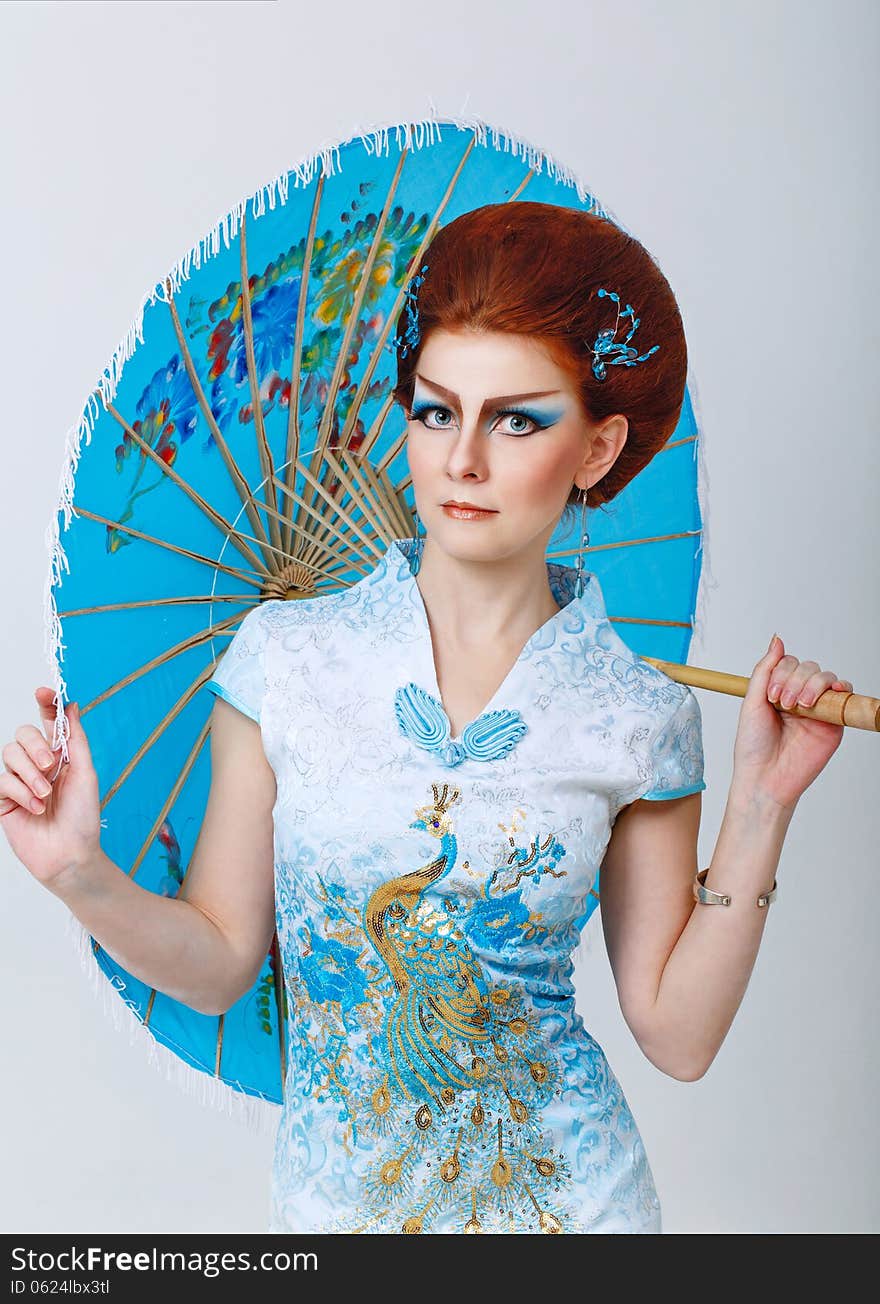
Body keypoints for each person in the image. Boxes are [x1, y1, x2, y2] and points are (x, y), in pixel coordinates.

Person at [1, 203, 852, 1235]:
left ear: (599, 446)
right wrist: (76, 873)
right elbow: (224, 958)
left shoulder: (637, 709)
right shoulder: (287, 657)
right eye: (437, 410)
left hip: (573, 1209)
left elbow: (675, 1034)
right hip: (336, 1217)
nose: (462, 459)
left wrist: (762, 803)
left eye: (518, 419)